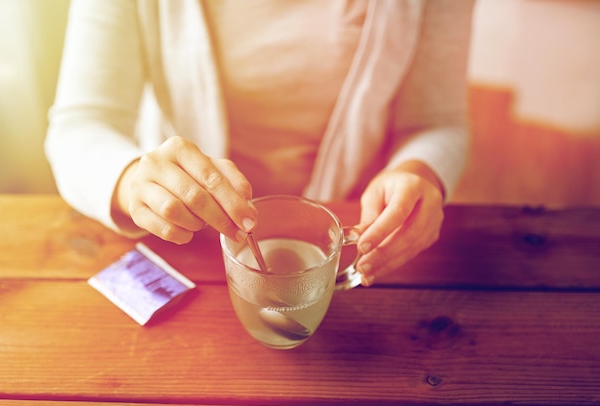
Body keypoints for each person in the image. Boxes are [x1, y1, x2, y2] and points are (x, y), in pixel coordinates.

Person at [45, 0, 475, 286]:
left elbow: (438, 122)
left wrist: (418, 170)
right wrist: (130, 181)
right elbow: (80, 125)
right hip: (184, 240)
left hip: (354, 233)